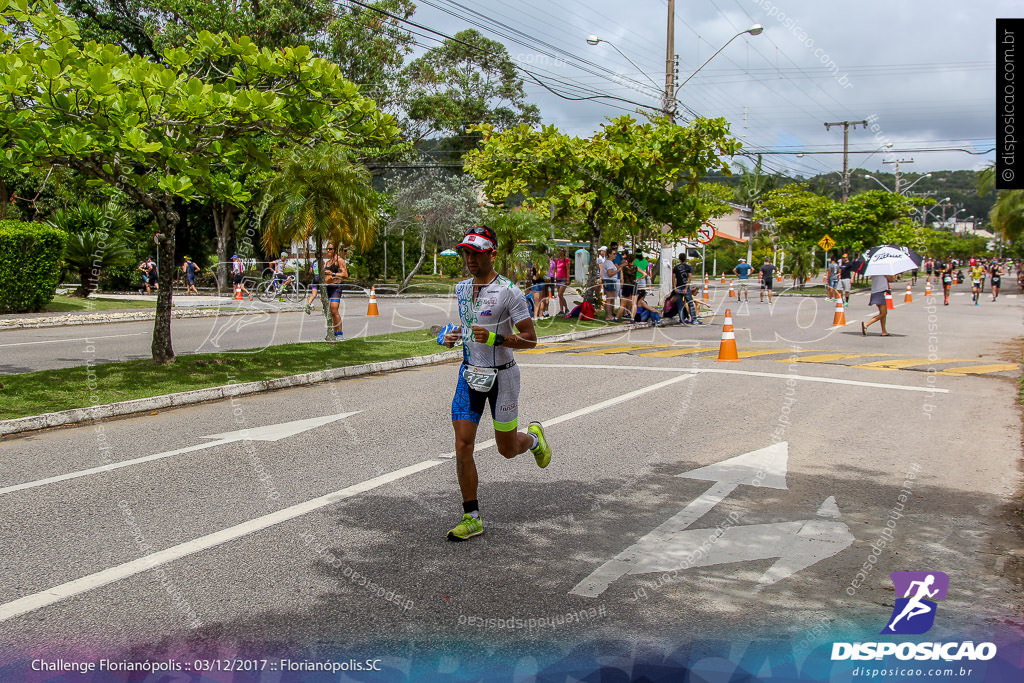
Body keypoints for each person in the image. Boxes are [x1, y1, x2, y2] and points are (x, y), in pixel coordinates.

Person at [441, 225, 551, 542]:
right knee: (462, 444)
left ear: (492, 254)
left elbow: (531, 340)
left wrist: (496, 338)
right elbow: (468, 330)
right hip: (470, 375)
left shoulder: (509, 292)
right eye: (466, 252)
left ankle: (532, 439)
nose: (469, 259)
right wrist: (451, 336)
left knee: (506, 449)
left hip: (503, 376)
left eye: (476, 253)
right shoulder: (461, 289)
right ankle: (471, 516)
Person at [323, 244, 348, 341]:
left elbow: (345, 274)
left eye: (330, 249)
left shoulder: (339, 260)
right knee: (330, 313)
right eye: (327, 249)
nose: (328, 250)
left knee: (334, 310)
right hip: (327, 288)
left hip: (336, 287)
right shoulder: (327, 262)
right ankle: (333, 333)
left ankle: (340, 334)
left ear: (335, 250)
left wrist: (333, 273)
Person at [672, 253, 700, 324]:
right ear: (685, 259)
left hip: (678, 287)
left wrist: (675, 287)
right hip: (685, 287)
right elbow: (689, 278)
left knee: (680, 305)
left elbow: (673, 278)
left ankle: (682, 320)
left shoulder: (676, 268)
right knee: (690, 303)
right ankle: (694, 320)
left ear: (679, 259)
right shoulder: (688, 267)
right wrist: (686, 288)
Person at [600, 246, 620, 321]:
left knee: (611, 298)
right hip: (609, 281)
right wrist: (618, 270)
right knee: (609, 299)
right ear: (609, 254)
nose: (615, 255)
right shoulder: (608, 262)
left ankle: (610, 314)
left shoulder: (610, 262)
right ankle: (608, 315)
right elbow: (609, 273)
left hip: (611, 281)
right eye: (614, 254)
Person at [619, 251, 638, 321]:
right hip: (633, 285)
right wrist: (638, 279)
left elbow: (621, 278)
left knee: (623, 303)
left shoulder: (624, 268)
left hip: (626, 285)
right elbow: (644, 274)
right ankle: (632, 317)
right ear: (633, 260)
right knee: (634, 303)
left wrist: (621, 285)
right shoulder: (635, 268)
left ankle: (617, 317)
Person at [553, 247, 571, 316]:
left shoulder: (566, 260)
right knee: (560, 296)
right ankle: (561, 310)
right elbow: (555, 269)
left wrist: (568, 279)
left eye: (561, 251)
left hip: (564, 279)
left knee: (560, 294)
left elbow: (568, 269)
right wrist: (555, 277)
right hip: (558, 279)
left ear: (563, 252)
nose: (560, 253)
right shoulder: (557, 260)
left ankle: (566, 308)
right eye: (559, 252)